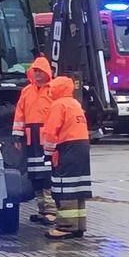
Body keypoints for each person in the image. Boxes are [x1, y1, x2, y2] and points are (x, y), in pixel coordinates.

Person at [42, 76, 92, 240]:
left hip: (67, 146)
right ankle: (78, 225)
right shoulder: (75, 103)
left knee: (65, 187)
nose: (49, 91)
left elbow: (50, 131)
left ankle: (65, 226)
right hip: (82, 145)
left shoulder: (58, 105)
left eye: (52, 88)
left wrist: (48, 152)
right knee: (78, 186)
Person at [13, 55, 57, 224]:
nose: (37, 74)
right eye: (35, 71)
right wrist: (17, 135)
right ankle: (43, 209)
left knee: (47, 174)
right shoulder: (27, 91)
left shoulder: (52, 90)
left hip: (46, 135)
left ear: (47, 72)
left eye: (40, 71)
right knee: (35, 174)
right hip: (31, 136)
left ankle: (51, 210)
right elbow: (20, 114)